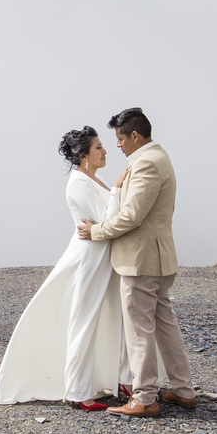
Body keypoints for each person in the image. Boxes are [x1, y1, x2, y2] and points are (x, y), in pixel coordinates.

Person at [0, 126, 134, 410]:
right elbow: (107, 218)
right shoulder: (79, 183)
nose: (106, 152)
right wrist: (118, 188)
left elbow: (107, 221)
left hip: (106, 256)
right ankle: (79, 391)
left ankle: (123, 378)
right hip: (89, 259)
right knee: (85, 319)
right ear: (83, 156)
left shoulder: (97, 178)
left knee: (116, 317)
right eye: (99, 148)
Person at [77, 107, 196, 417]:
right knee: (165, 326)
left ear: (134, 135)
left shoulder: (145, 164)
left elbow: (131, 216)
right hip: (158, 258)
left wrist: (96, 231)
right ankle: (183, 391)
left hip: (141, 262)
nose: (117, 145)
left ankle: (144, 398)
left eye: (120, 138)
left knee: (139, 330)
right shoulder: (159, 156)